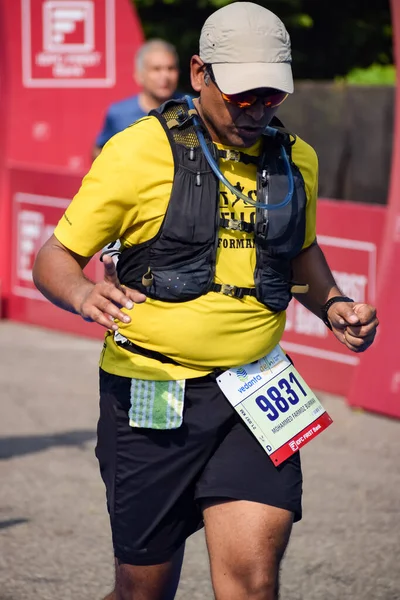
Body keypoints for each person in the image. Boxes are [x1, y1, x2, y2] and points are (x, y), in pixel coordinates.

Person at [33, 3, 379, 599]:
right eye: (243, 95)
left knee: (251, 583)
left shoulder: (297, 160)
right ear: (200, 73)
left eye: (272, 96)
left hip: (258, 389)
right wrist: (84, 292)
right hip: (152, 390)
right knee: (144, 591)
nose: (258, 110)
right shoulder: (136, 152)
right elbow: (52, 259)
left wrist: (334, 304)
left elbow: (302, 251)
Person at [93, 39, 180, 159]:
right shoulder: (118, 113)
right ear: (139, 75)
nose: (165, 76)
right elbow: (99, 152)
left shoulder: (193, 108)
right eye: (156, 69)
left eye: (170, 68)